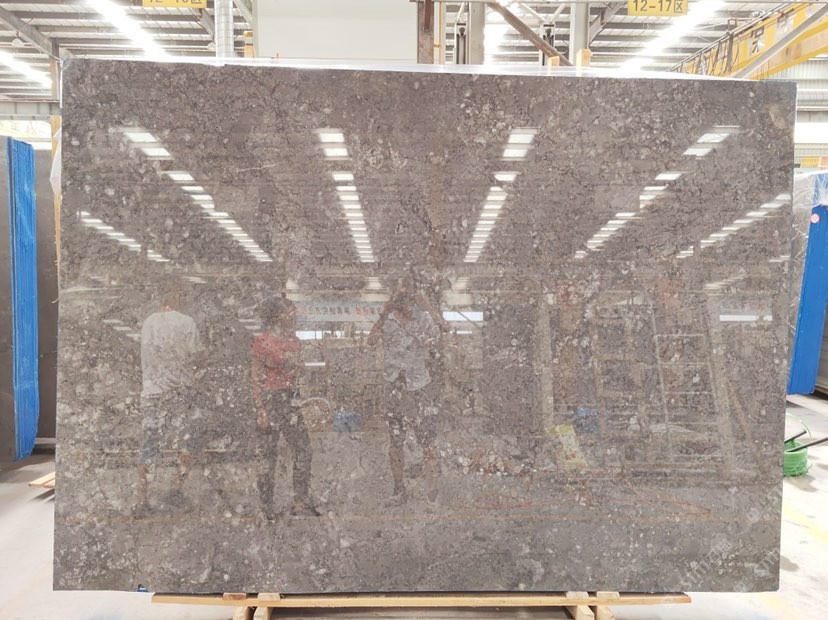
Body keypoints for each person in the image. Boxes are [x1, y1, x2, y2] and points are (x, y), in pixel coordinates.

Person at [368, 285, 443, 504]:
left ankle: (432, 494)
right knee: (396, 441)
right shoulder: (388, 320)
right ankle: (399, 490)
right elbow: (371, 340)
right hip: (394, 387)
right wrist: (383, 314)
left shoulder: (422, 318)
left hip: (419, 387)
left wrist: (427, 306)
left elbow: (442, 328)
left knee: (428, 441)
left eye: (409, 298)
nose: (405, 303)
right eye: (401, 298)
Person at [136, 282, 202, 512]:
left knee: (150, 442)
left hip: (152, 392)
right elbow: (196, 355)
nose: (183, 298)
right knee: (188, 441)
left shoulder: (148, 323)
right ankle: (176, 489)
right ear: (172, 294)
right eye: (180, 293)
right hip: (179, 391)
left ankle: (142, 498)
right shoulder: (186, 322)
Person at [251, 296, 319, 518]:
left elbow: (294, 373)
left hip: (290, 400)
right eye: (289, 311)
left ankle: (300, 502)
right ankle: (266, 506)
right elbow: (256, 378)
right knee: (267, 454)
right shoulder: (262, 342)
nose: (294, 315)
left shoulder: (295, 342)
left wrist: (300, 370)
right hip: (270, 399)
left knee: (303, 450)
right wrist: (260, 409)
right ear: (277, 316)